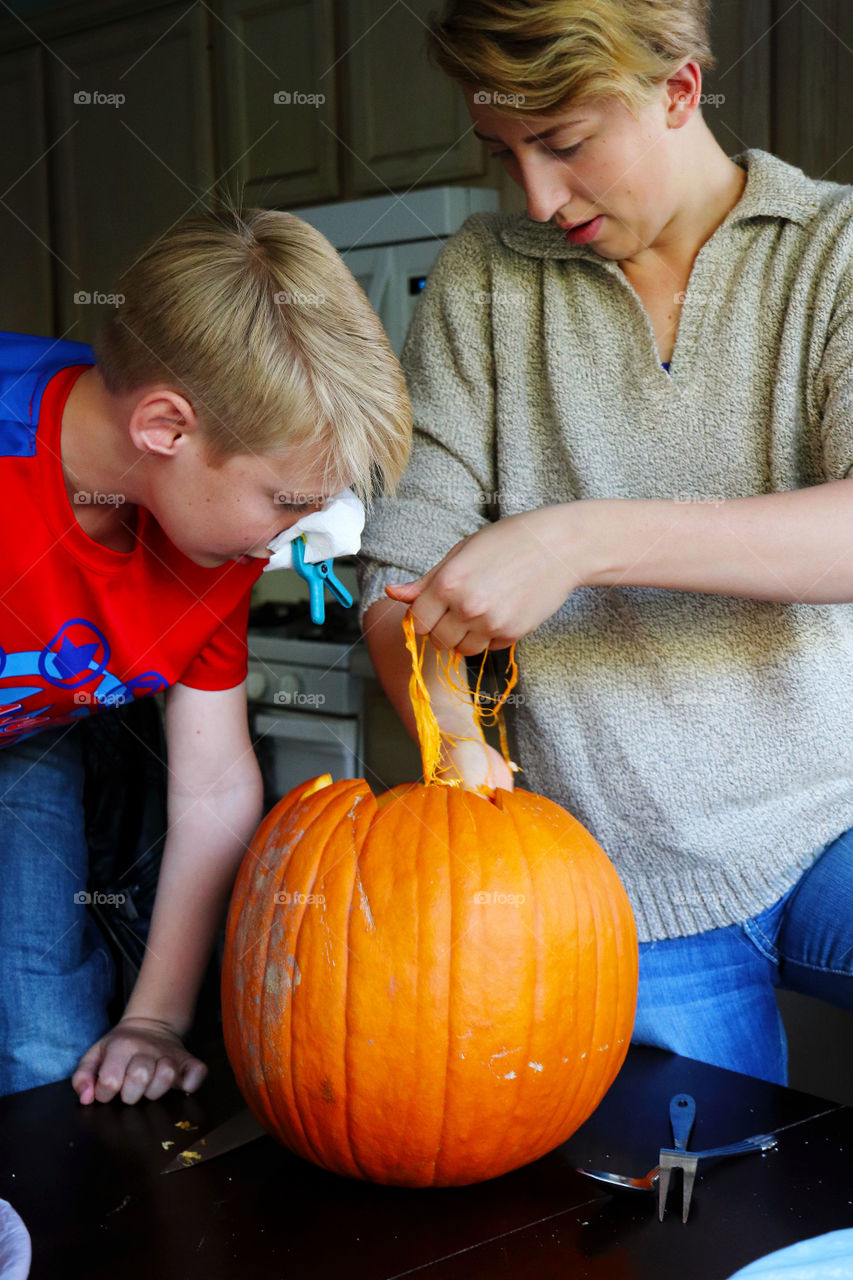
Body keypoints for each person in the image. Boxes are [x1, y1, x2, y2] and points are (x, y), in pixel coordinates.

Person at [358, 0, 853, 1087]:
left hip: (835, 821)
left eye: (564, 143)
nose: (537, 197)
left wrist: (580, 540)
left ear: (677, 90)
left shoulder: (834, 251)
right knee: (694, 1183)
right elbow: (401, 563)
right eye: (505, 154)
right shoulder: (487, 275)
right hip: (605, 876)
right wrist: (451, 732)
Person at [0, 208, 411, 1102]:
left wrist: (153, 1020)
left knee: (42, 1050)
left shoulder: (209, 543)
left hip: (25, 742)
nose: (300, 531)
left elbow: (214, 784)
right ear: (165, 428)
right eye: (287, 501)